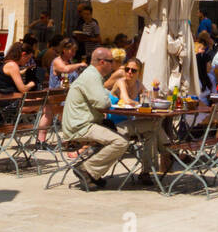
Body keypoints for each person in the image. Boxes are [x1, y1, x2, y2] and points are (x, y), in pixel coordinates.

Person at [61, 47, 166, 190]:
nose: (117, 66)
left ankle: (147, 170)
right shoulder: (91, 77)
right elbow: (103, 102)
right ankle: (86, 170)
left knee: (152, 128)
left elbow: (104, 98)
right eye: (112, 61)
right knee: (120, 142)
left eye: (133, 70)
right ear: (102, 62)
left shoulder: (95, 76)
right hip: (81, 126)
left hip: (92, 123)